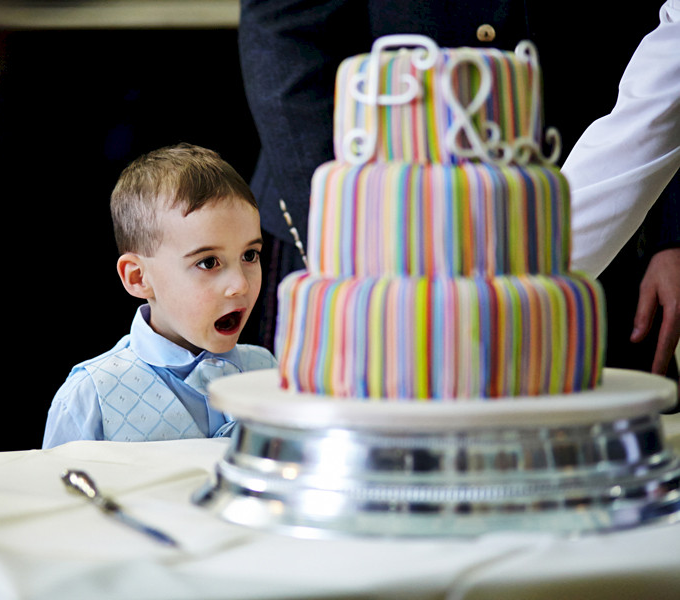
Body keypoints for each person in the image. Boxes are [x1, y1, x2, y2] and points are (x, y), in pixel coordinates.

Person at [238, 0, 680, 387]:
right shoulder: (351, 233)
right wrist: (351, 232)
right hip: (359, 218)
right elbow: (282, 34)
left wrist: (672, 229)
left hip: (619, 232)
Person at [42, 143, 277, 447]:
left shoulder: (270, 371)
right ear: (139, 277)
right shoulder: (91, 397)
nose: (240, 285)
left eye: (250, 255)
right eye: (208, 262)